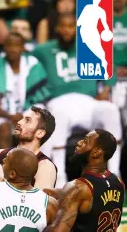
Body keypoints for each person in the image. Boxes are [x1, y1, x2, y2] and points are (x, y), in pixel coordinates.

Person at [32, 13, 122, 187]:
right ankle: (58, 181)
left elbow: (110, 66)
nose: (67, 30)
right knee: (56, 114)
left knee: (110, 110)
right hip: (59, 101)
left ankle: (115, 175)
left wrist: (107, 88)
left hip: (88, 102)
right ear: (57, 29)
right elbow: (28, 64)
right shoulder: (43, 50)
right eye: (63, 26)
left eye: (71, 26)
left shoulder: (89, 46)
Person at [0, 106, 57, 232]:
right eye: (22, 119)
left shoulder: (45, 167)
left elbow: (35, 211)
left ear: (40, 133)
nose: (19, 122)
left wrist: (3, 178)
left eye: (27, 120)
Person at [43, 129, 125, 232]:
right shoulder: (118, 183)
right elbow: (95, 201)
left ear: (96, 152)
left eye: (85, 141)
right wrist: (56, 193)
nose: (79, 142)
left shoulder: (78, 187)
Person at [77, 0, 112, 80]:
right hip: (84, 31)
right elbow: (79, 22)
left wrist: (107, 31)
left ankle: (105, 72)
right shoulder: (87, 7)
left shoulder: (101, 11)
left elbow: (105, 24)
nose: (96, 0)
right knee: (86, 52)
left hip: (94, 32)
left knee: (102, 54)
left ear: (100, 0)